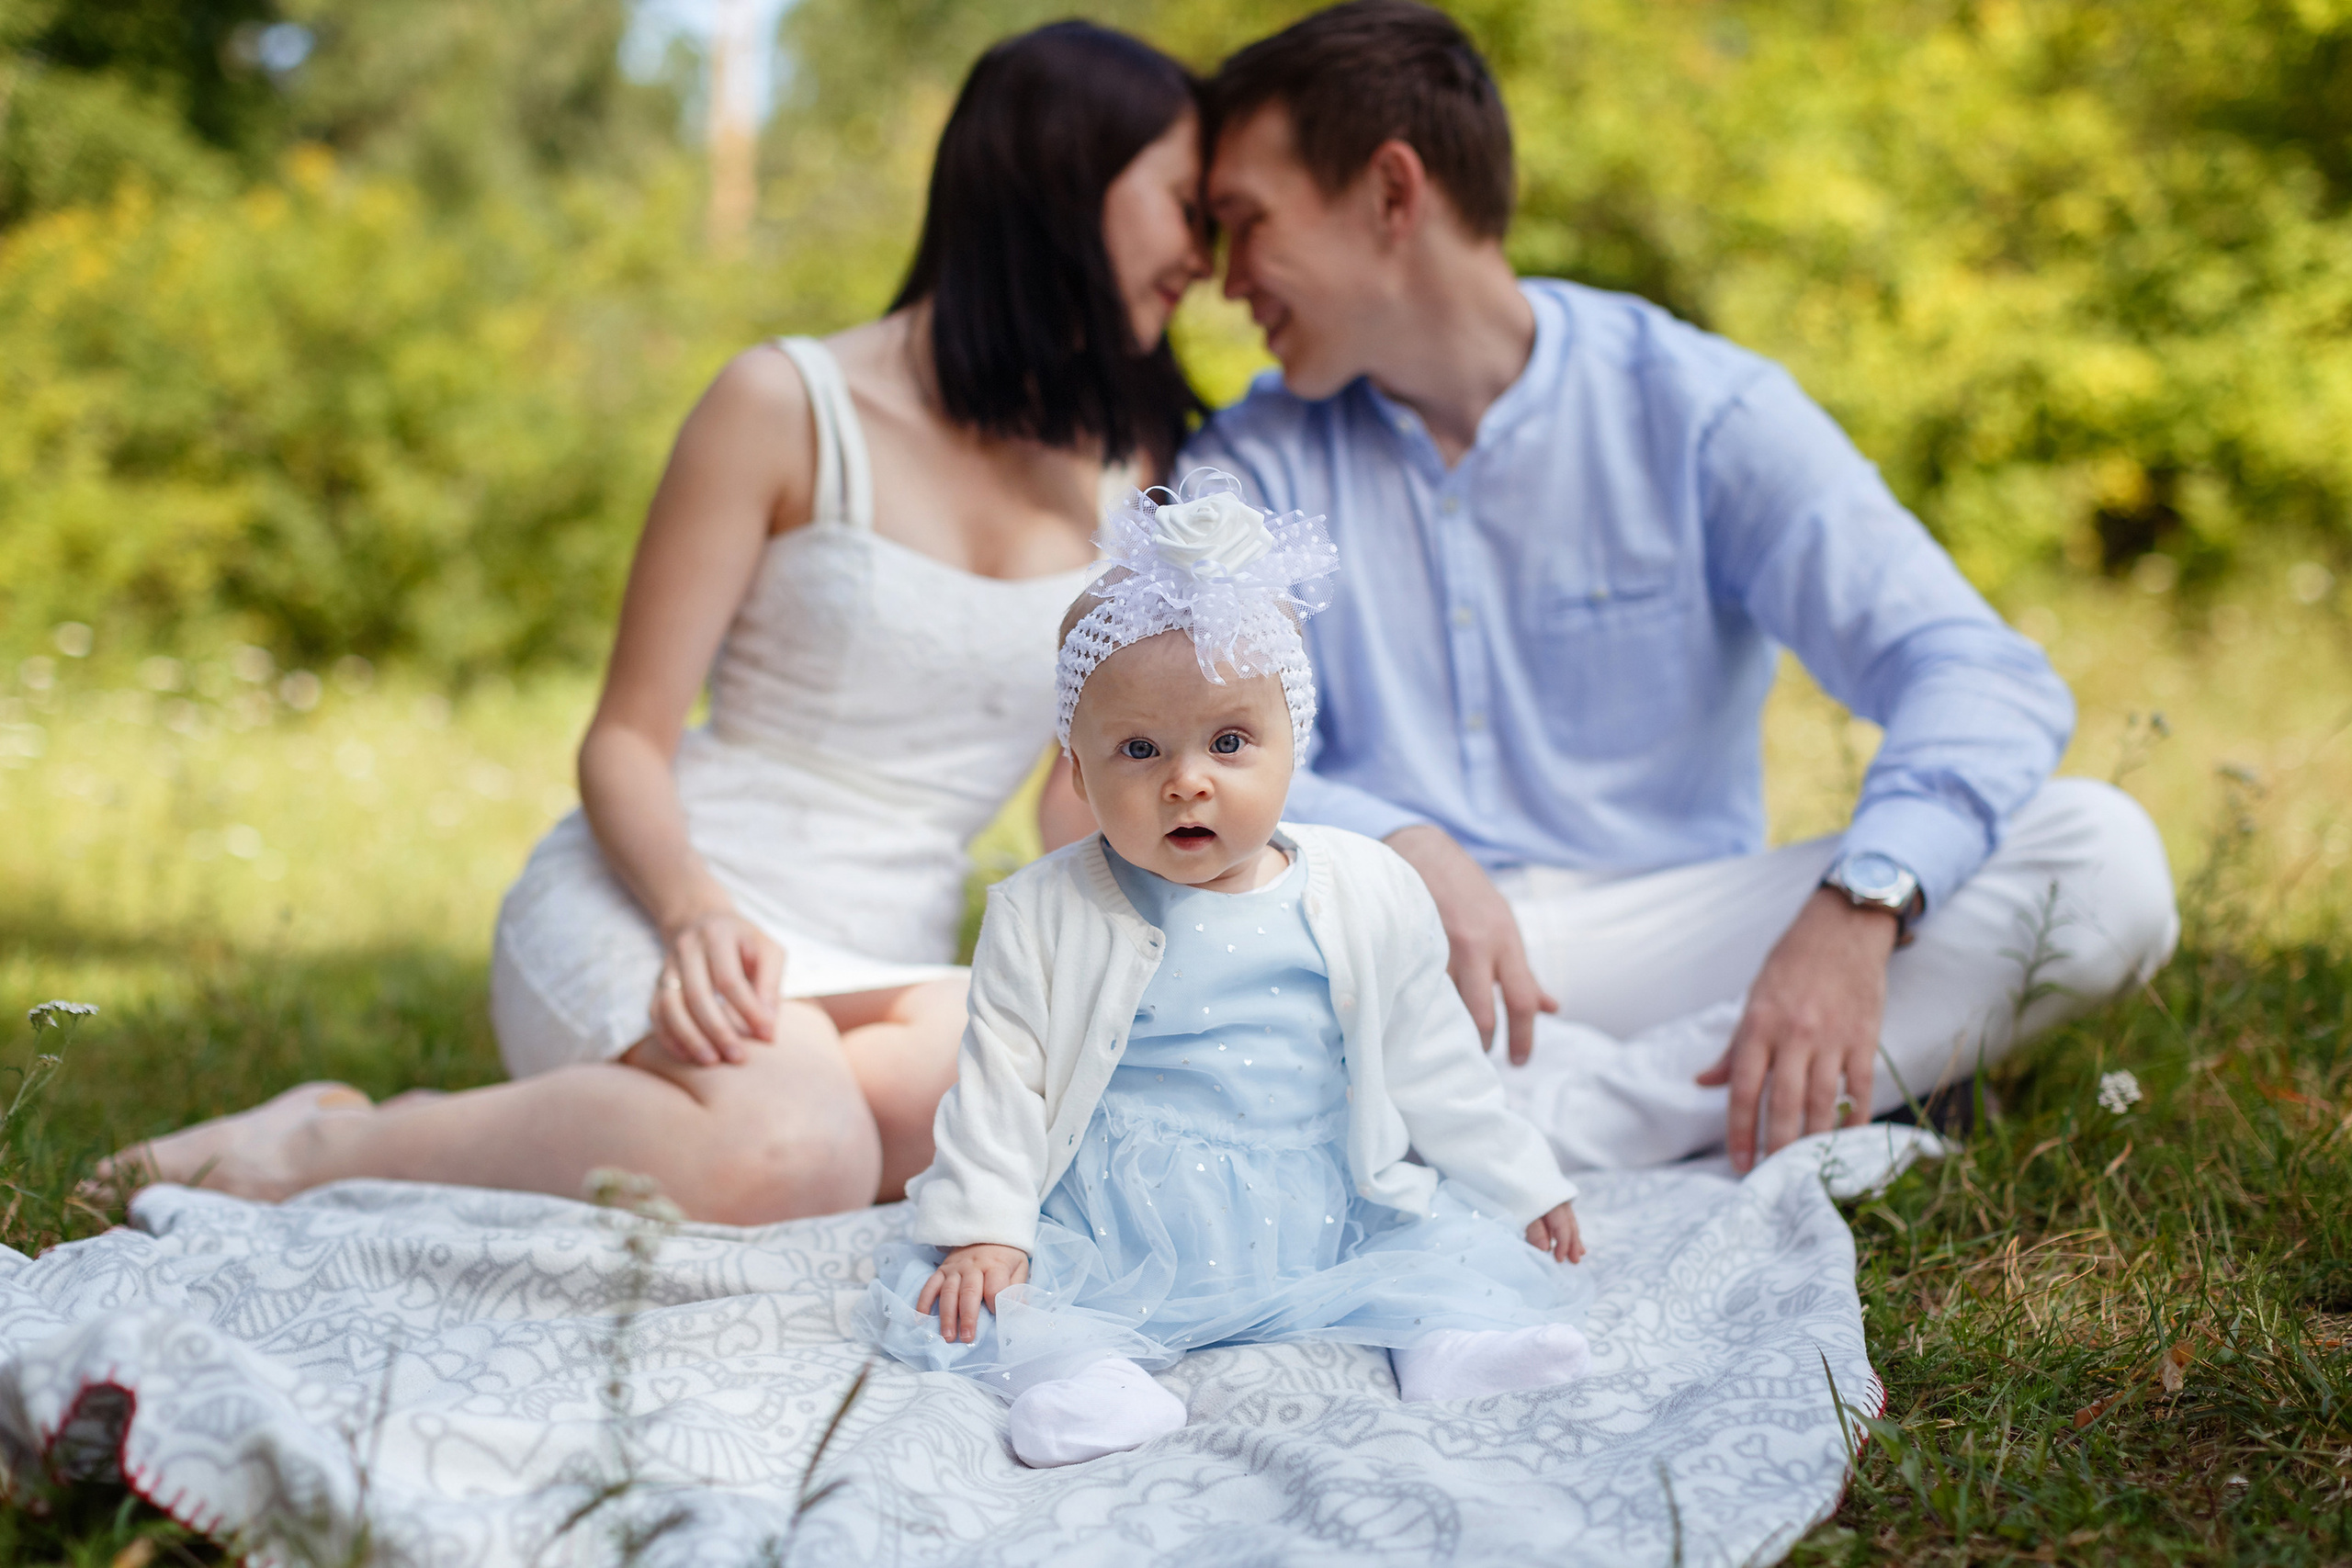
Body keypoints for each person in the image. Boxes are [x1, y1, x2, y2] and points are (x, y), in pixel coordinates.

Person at [93, 21, 1213, 1223]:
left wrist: (1167, 907)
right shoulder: (785, 403)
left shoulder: (1132, 468)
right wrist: (695, 914)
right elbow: (624, 737)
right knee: (793, 1155)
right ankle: (320, 1145)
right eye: (1186, 207)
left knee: (1069, 1107)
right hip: (671, 898)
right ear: (1061, 178)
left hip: (890, 966)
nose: (1203, 255)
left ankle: (668, 1119)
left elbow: (1069, 791)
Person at [1182, 0, 2180, 1174]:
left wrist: (1859, 910)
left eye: (1247, 224)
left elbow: (1975, 674)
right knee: (1204, 954)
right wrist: (1401, 843)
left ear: (1393, 192)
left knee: (2105, 859)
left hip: (1675, 937)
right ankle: (1729, 1117)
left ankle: (1533, 1130)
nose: (1228, 280)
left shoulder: (1700, 409)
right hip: (1400, 946)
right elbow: (1174, 752)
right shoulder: (1246, 467)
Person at [857, 475, 1592, 1472]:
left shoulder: (1367, 886)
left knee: (1433, 1249)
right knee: (987, 1295)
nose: (1185, 778)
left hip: (1322, 1195)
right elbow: (1001, 1083)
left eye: (1230, 741)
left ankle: (1448, 1345)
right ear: (1075, 770)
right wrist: (988, 1227)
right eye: (1138, 749)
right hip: (1121, 1211)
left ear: (1295, 744)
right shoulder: (1044, 910)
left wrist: (1518, 1181)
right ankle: (1082, 1378)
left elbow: (1432, 1058)